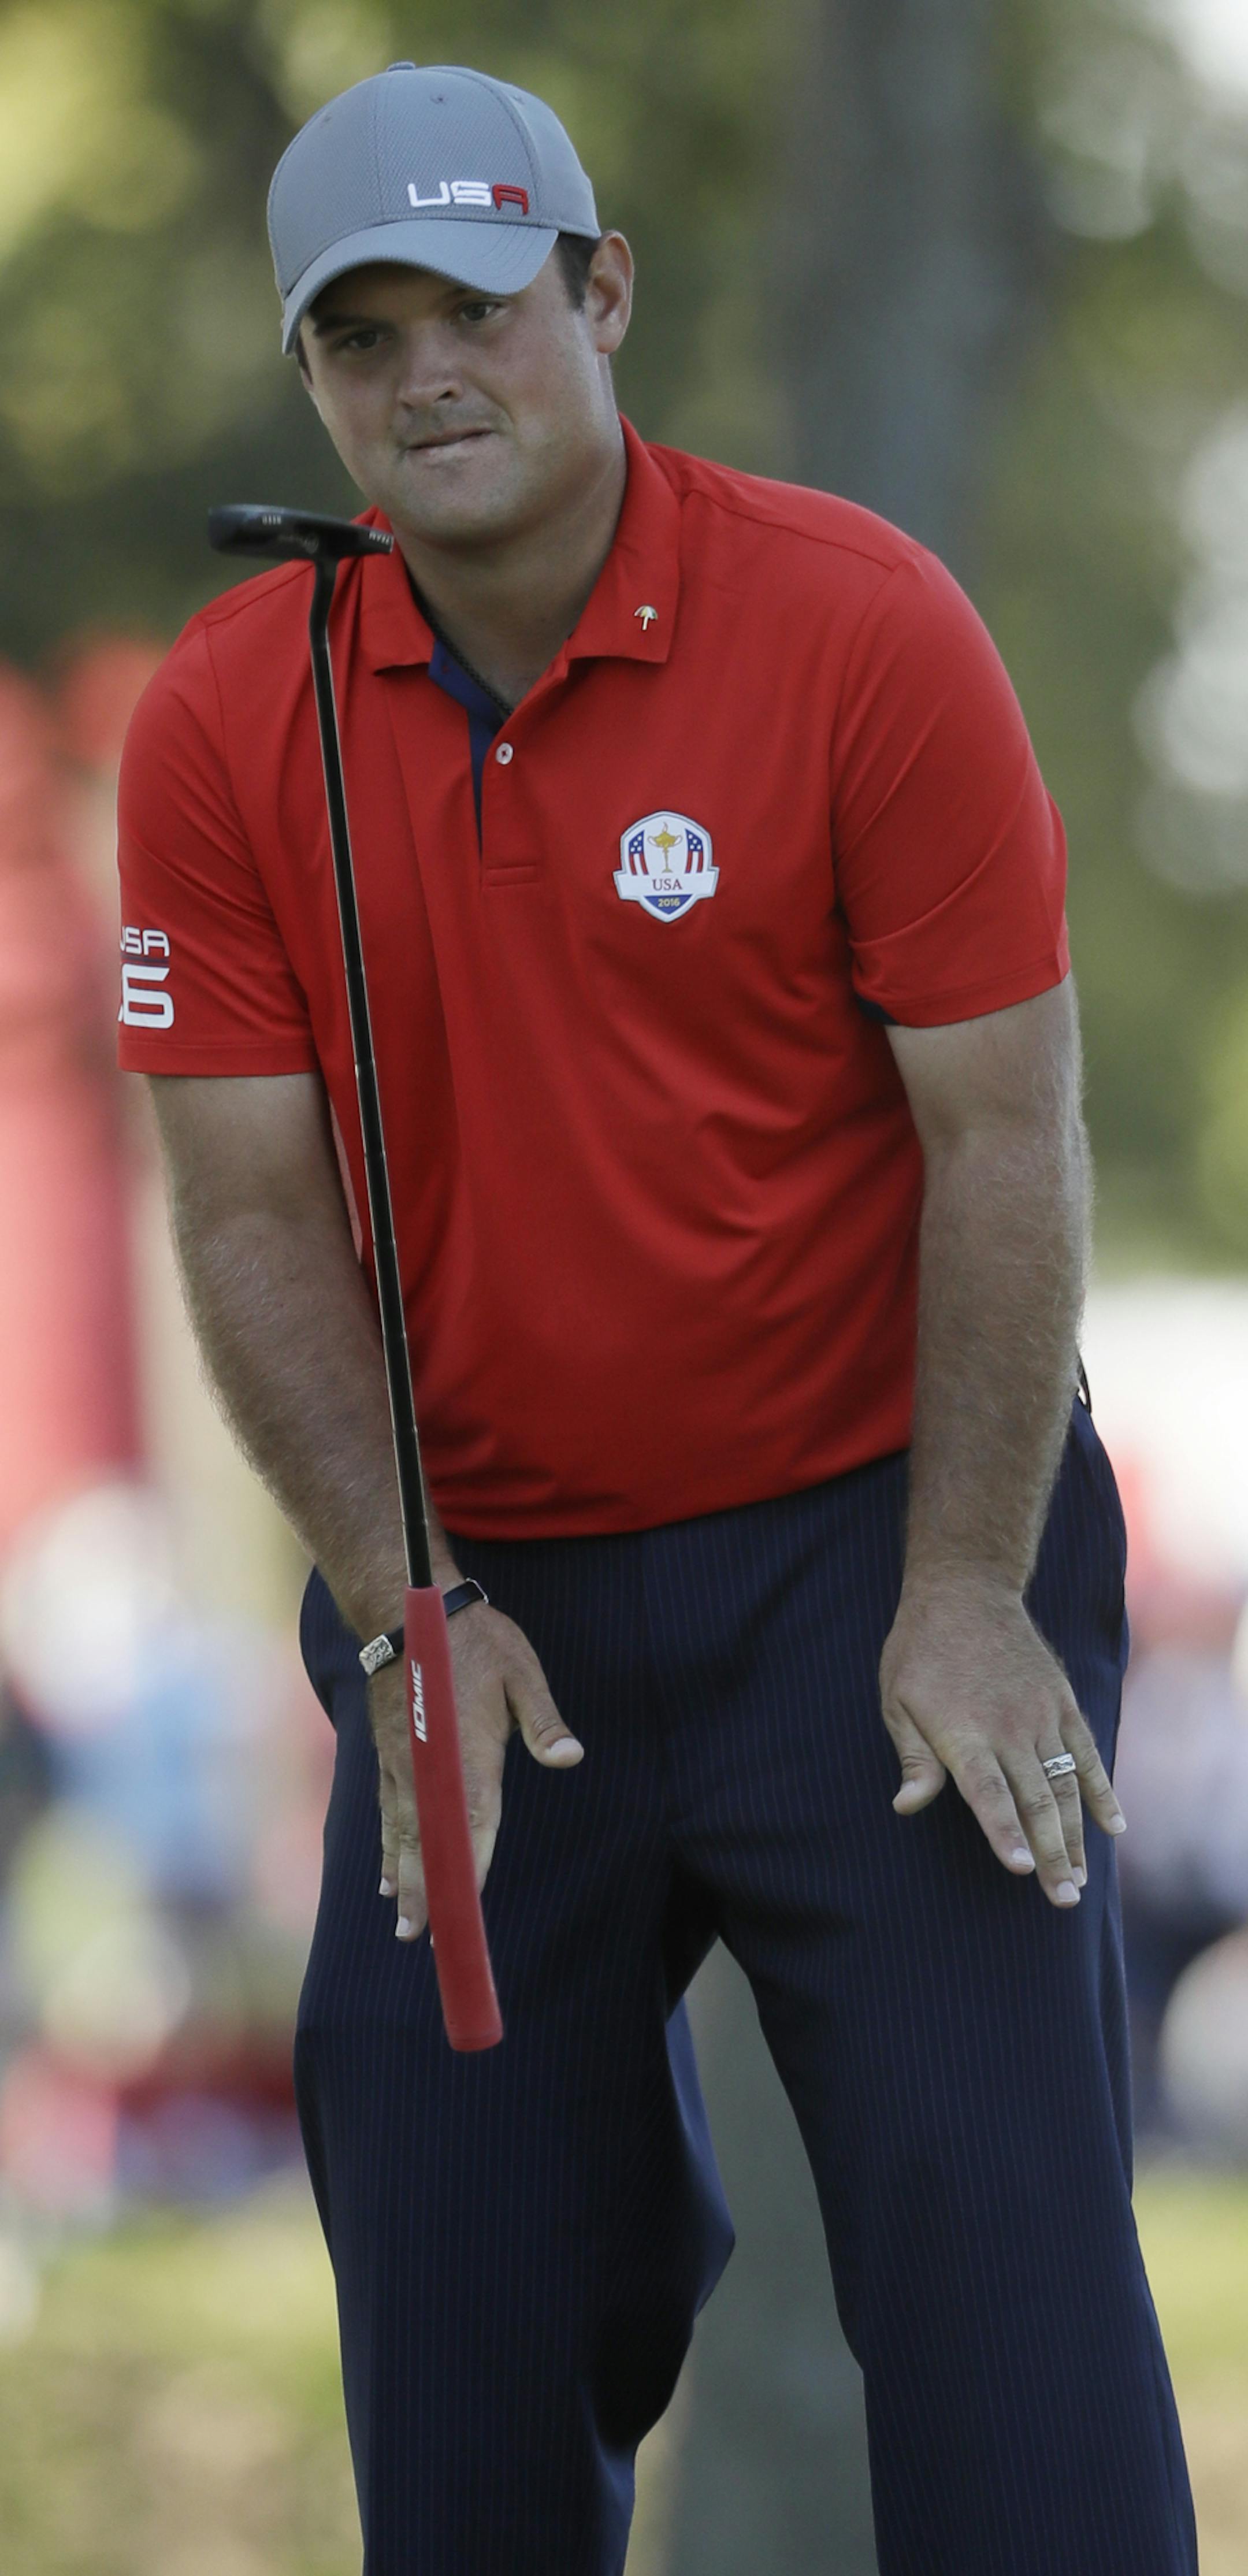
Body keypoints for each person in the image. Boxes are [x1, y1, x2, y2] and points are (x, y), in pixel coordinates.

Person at [116, 60, 1197, 2576]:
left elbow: (1002, 1143)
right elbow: (254, 1212)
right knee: (475, 2308)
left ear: (601, 295)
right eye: (360, 336)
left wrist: (961, 1585)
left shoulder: (855, 628)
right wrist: (406, 1606)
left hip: (882, 1545)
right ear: (316, 384)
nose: (428, 375)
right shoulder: (225, 714)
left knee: (1005, 2305)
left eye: (475, 308)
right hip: (479, 1587)